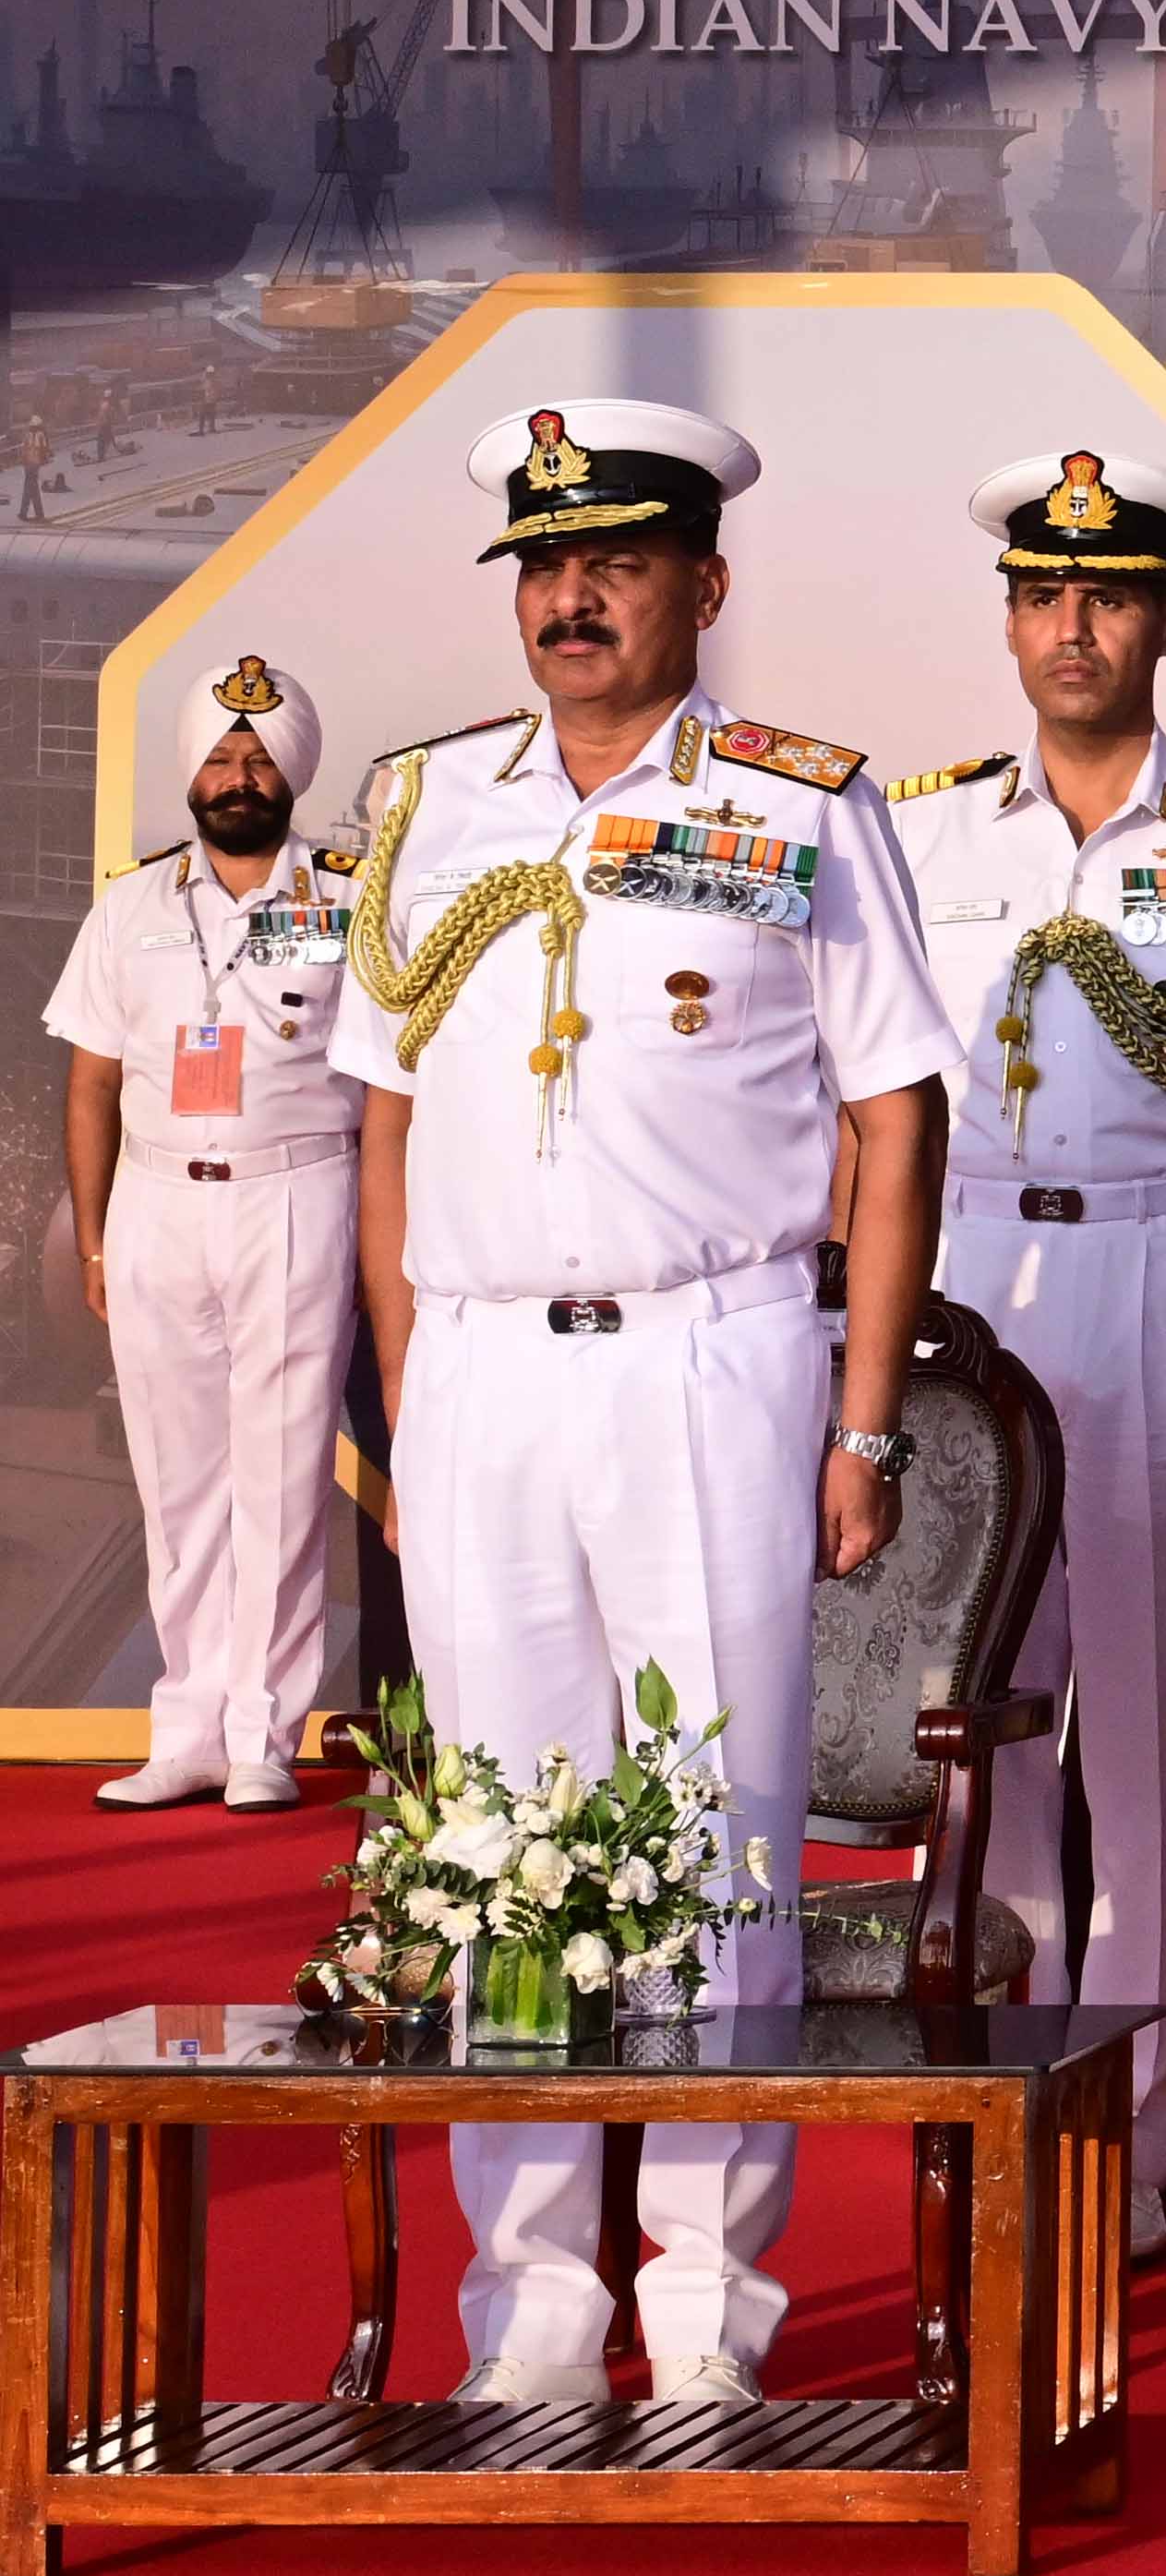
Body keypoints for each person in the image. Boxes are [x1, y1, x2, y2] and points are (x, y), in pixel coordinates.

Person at [336, 399, 951, 2402]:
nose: (570, 596)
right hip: (489, 1365)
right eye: (543, 564)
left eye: (613, 561)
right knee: (503, 1836)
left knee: (716, 1835)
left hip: (712, 1350)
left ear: (704, 581)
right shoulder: (431, 806)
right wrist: (413, 1385)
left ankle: (704, 2305)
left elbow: (892, 1108)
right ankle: (523, 2305)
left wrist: (863, 1421)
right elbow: (385, 1118)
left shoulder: (798, 801)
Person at [889, 448, 1166, 2248]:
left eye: (1110, 592)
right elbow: (869, 1110)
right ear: (1009, 616)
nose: (1074, 624)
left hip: (1162, 1287)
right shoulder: (918, 833)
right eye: (1044, 593)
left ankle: (1147, 2113)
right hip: (967, 1293)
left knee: (1139, 1728)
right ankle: (1005, 2079)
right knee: (981, 1727)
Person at [49, 651, 365, 1812]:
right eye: (222, 756)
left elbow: (387, 1084)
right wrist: (92, 1240)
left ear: (292, 773)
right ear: (193, 772)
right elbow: (87, 1083)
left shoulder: (348, 896)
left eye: (261, 756)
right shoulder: (128, 904)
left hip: (297, 1190)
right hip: (154, 1204)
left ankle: (262, 1735)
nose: (240, 773)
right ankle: (183, 1722)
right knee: (177, 1476)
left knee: (281, 1475)